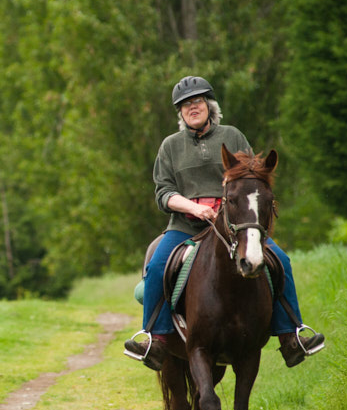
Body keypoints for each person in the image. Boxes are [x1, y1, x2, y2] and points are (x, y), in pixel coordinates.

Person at [124, 75, 325, 370]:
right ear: (179, 113)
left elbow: (251, 177)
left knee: (281, 260)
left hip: (235, 225)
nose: (192, 107)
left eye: (197, 101)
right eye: (185, 105)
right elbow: (163, 193)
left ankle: (291, 336)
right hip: (185, 227)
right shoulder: (170, 146)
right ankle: (156, 340)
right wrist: (193, 207)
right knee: (156, 267)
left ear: (209, 105)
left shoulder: (232, 136)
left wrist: (229, 207)